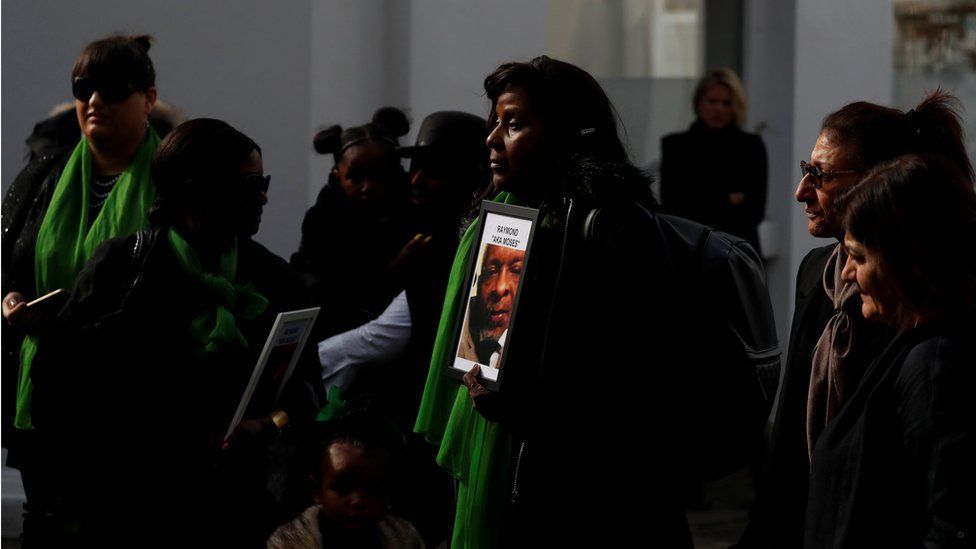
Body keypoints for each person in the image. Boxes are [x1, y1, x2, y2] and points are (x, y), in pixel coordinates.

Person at [415, 55, 692, 547]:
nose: (493, 139)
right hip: (512, 477)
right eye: (494, 122)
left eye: (514, 123)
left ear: (566, 133)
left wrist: (525, 403)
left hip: (590, 503)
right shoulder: (503, 218)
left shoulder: (613, 225)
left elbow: (644, 381)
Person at [30, 119, 322, 547]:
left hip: (234, 509)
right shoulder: (121, 270)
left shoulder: (274, 279)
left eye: (264, 182)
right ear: (193, 189)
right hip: (129, 508)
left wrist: (268, 424)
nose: (262, 197)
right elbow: (55, 386)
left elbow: (308, 389)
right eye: (247, 185)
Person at [738, 90, 974, 549]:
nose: (801, 191)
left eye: (820, 176)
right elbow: (790, 441)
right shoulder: (817, 274)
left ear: (876, 183)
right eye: (806, 171)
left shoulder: (926, 339)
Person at [0, 34, 160, 546]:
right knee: (46, 527)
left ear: (149, 100)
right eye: (83, 86)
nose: (94, 101)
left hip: (130, 408)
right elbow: (7, 263)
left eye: (113, 88)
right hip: (45, 397)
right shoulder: (42, 176)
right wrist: (10, 300)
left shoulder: (173, 183)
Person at [803, 154, 976, 548]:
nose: (847, 273)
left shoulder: (936, 366)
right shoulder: (910, 345)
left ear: (908, 262)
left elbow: (952, 526)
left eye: (859, 257)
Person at [291, 107, 414, 340]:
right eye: (356, 178)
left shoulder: (412, 212)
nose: (367, 186)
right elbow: (328, 290)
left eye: (378, 176)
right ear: (338, 175)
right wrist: (393, 268)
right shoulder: (322, 220)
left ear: (396, 172)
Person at [266, 404, 425, 549]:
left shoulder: (407, 542)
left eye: (372, 488)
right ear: (317, 490)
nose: (358, 501)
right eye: (343, 487)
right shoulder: (287, 545)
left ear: (389, 492)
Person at [660, 68, 767, 253]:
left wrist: (700, 197)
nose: (719, 108)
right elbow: (673, 206)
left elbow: (754, 212)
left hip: (737, 252)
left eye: (726, 103)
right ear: (699, 103)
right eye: (712, 101)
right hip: (689, 251)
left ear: (736, 107)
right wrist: (729, 199)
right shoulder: (676, 146)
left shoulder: (750, 146)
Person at [457, 243, 524, 368]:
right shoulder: (458, 331)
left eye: (516, 271)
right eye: (491, 271)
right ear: (479, 280)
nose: (500, 287)